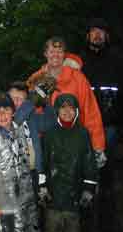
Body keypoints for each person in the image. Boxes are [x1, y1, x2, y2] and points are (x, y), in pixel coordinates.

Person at [80, 18, 123, 232]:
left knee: (106, 175)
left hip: (110, 126)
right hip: (84, 128)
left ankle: (108, 223)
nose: (97, 35)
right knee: (84, 175)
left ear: (106, 36)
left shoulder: (119, 61)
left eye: (101, 31)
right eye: (93, 31)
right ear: (87, 36)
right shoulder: (78, 63)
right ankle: (85, 223)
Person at [27, 36, 106, 168]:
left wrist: (97, 146)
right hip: (47, 143)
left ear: (64, 54)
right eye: (52, 51)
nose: (55, 55)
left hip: (76, 141)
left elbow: (91, 111)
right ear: (45, 54)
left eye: (59, 51)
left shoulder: (78, 78)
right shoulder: (36, 78)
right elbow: (31, 113)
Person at [0, 92, 40, 232]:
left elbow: (25, 160)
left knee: (27, 231)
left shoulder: (18, 131)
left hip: (25, 196)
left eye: (6, 109)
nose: (2, 114)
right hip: (3, 200)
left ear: (13, 111)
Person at [40, 93, 98, 232]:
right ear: (57, 111)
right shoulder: (48, 134)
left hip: (74, 197)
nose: (67, 111)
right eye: (63, 108)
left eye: (71, 108)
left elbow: (89, 162)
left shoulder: (83, 134)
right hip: (53, 197)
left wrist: (88, 189)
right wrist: (42, 187)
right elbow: (42, 163)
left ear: (76, 111)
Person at [7, 81, 55, 193]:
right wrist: (31, 102)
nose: (16, 102)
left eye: (20, 99)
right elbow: (15, 122)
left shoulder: (31, 117)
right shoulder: (3, 119)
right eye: (12, 98)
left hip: (34, 171)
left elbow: (50, 123)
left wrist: (44, 102)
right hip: (14, 177)